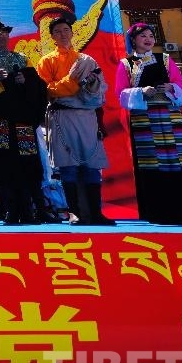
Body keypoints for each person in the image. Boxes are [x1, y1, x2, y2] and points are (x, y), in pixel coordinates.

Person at [115, 22, 182, 226]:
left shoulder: (165, 59)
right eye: (143, 36)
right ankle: (159, 212)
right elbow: (120, 93)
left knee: (177, 162)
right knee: (152, 162)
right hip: (145, 118)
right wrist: (141, 91)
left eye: (151, 36)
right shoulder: (126, 64)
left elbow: (180, 86)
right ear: (133, 40)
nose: (148, 39)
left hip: (170, 116)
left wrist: (170, 87)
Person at [0, 18, 50, 225]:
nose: (1, 36)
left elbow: (39, 87)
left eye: (4, 32)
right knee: (2, 165)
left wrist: (26, 81)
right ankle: (9, 211)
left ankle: (28, 211)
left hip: (22, 121)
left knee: (27, 164)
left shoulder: (22, 58)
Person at [38, 14, 114, 226]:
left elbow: (100, 87)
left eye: (66, 30)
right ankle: (74, 212)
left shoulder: (86, 60)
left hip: (87, 115)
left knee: (91, 165)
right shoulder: (47, 61)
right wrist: (71, 82)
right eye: (57, 31)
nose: (62, 34)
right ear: (52, 37)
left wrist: (91, 84)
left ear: (72, 33)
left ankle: (96, 213)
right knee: (67, 165)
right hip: (62, 116)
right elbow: (47, 90)